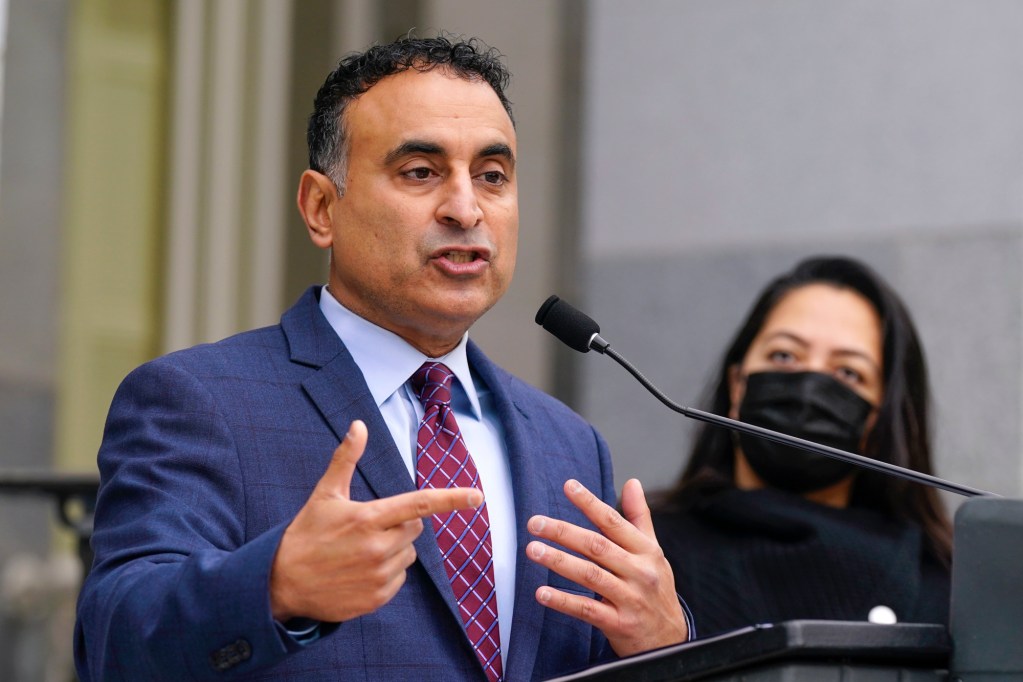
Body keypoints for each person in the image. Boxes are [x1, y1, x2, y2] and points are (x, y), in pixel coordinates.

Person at [73, 35, 689, 681]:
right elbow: (116, 639)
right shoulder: (202, 400)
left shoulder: (567, 442)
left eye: (492, 176)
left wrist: (665, 639)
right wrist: (275, 585)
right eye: (420, 173)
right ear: (320, 208)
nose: (465, 208)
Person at [651, 256, 952, 638]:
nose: (809, 388)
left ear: (881, 417)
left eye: (848, 372)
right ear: (737, 384)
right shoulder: (646, 553)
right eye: (784, 355)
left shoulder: (945, 590)